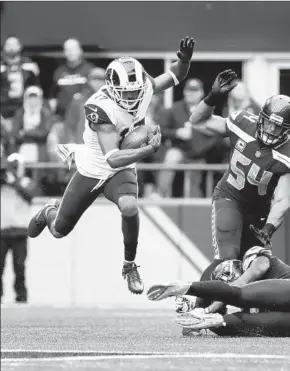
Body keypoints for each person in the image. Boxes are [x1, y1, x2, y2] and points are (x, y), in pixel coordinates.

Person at [27, 37, 195, 295]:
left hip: (121, 167)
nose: (133, 97)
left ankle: (129, 265)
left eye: (136, 91)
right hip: (95, 166)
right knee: (59, 231)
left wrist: (184, 61)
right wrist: (148, 149)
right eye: (126, 93)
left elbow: (173, 77)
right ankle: (49, 211)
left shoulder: (142, 87)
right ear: (113, 88)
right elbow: (112, 157)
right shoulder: (99, 108)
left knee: (129, 207)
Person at [189, 70, 290, 282]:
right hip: (230, 196)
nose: (271, 129)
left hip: (258, 213)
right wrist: (212, 98)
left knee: (255, 265)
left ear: (288, 130)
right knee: (227, 259)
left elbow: (283, 199)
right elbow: (197, 121)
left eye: (278, 126)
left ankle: (225, 308)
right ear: (261, 117)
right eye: (269, 122)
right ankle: (195, 302)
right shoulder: (243, 122)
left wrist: (269, 228)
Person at [147, 249, 290, 338]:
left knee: (237, 295)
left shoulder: (259, 259)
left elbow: (242, 284)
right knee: (245, 325)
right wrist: (201, 315)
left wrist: (208, 308)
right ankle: (210, 322)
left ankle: (184, 286)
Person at [1, 151, 36, 303]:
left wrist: (12, 181)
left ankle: (21, 296)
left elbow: (29, 194)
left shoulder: (26, 182)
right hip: (2, 231)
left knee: (19, 268)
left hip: (20, 232)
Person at [1, 36, 40, 150]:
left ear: (20, 47)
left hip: (24, 111)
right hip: (4, 112)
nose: (11, 48)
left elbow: (36, 91)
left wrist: (33, 113)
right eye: (9, 45)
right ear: (4, 47)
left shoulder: (30, 66)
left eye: (14, 44)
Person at [49, 38, 95, 119]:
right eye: (68, 50)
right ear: (64, 52)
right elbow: (53, 95)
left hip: (84, 117)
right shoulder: (59, 72)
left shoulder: (90, 70)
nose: (71, 53)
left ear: (80, 51)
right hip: (63, 117)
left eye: (73, 49)